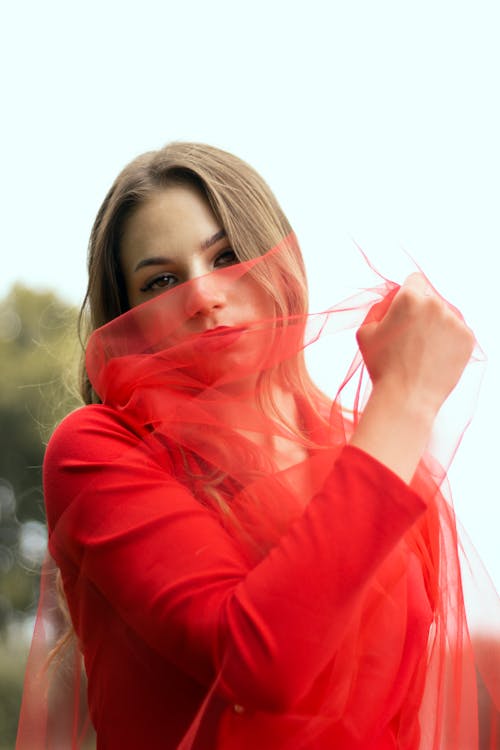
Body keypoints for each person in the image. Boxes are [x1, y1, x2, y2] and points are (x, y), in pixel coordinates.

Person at [16, 142, 499, 749]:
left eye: (228, 256)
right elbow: (260, 662)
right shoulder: (98, 450)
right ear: (126, 318)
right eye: (161, 280)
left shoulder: (373, 454)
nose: (203, 295)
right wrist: (404, 401)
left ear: (281, 259)